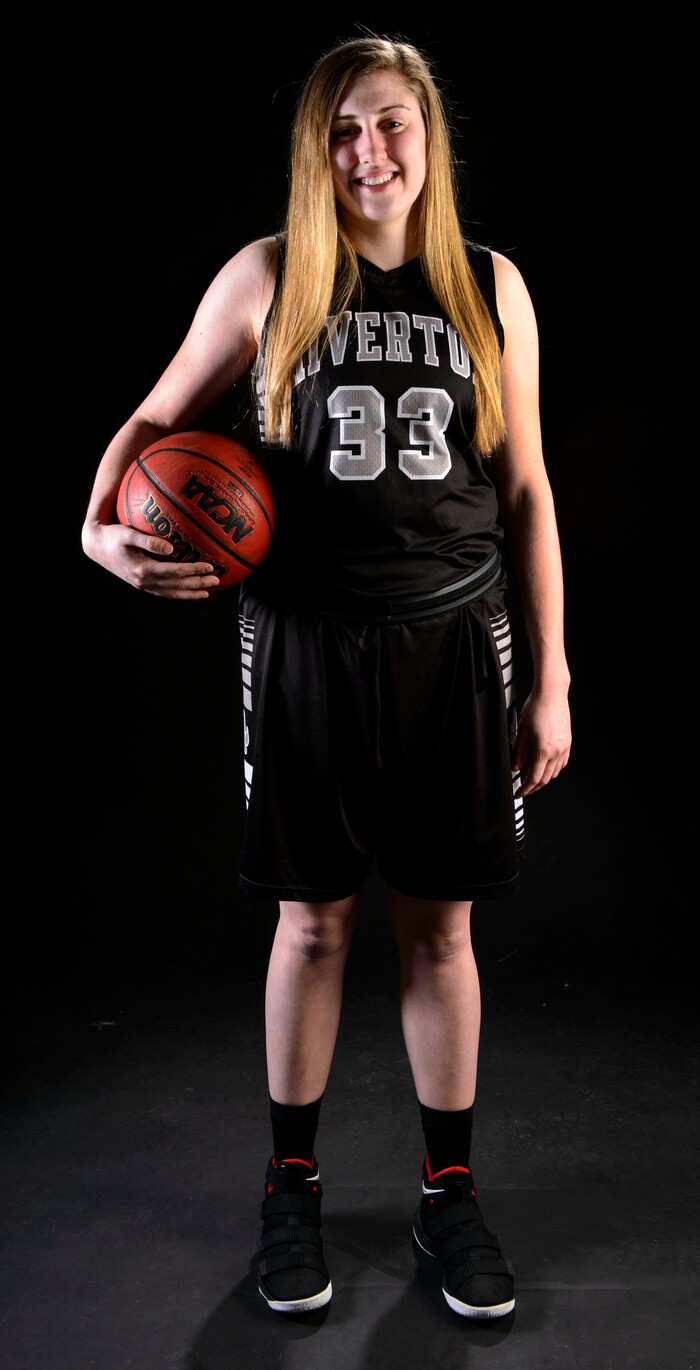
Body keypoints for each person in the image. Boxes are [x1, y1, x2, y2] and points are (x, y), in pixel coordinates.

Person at [81, 33, 571, 1322]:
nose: (373, 153)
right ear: (319, 145)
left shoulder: (489, 285)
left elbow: (525, 490)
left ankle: (449, 1197)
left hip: (459, 638)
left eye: (395, 124)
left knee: (442, 926)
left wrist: (554, 676)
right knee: (313, 923)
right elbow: (149, 423)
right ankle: (289, 1190)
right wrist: (95, 532)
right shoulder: (269, 278)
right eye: (348, 129)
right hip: (303, 640)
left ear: (430, 137)